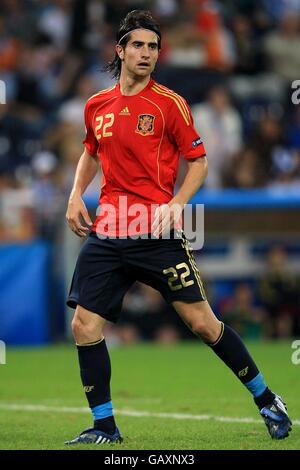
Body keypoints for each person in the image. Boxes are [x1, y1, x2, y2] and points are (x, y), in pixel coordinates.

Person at [65, 10, 292, 445]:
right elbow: (90, 152)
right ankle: (105, 427)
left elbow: (199, 161)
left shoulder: (169, 104)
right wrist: (76, 194)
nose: (147, 53)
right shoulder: (97, 105)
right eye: (138, 45)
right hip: (109, 230)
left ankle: (267, 399)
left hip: (156, 230)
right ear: (120, 49)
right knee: (84, 326)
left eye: (153, 46)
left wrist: (177, 203)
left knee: (203, 324)